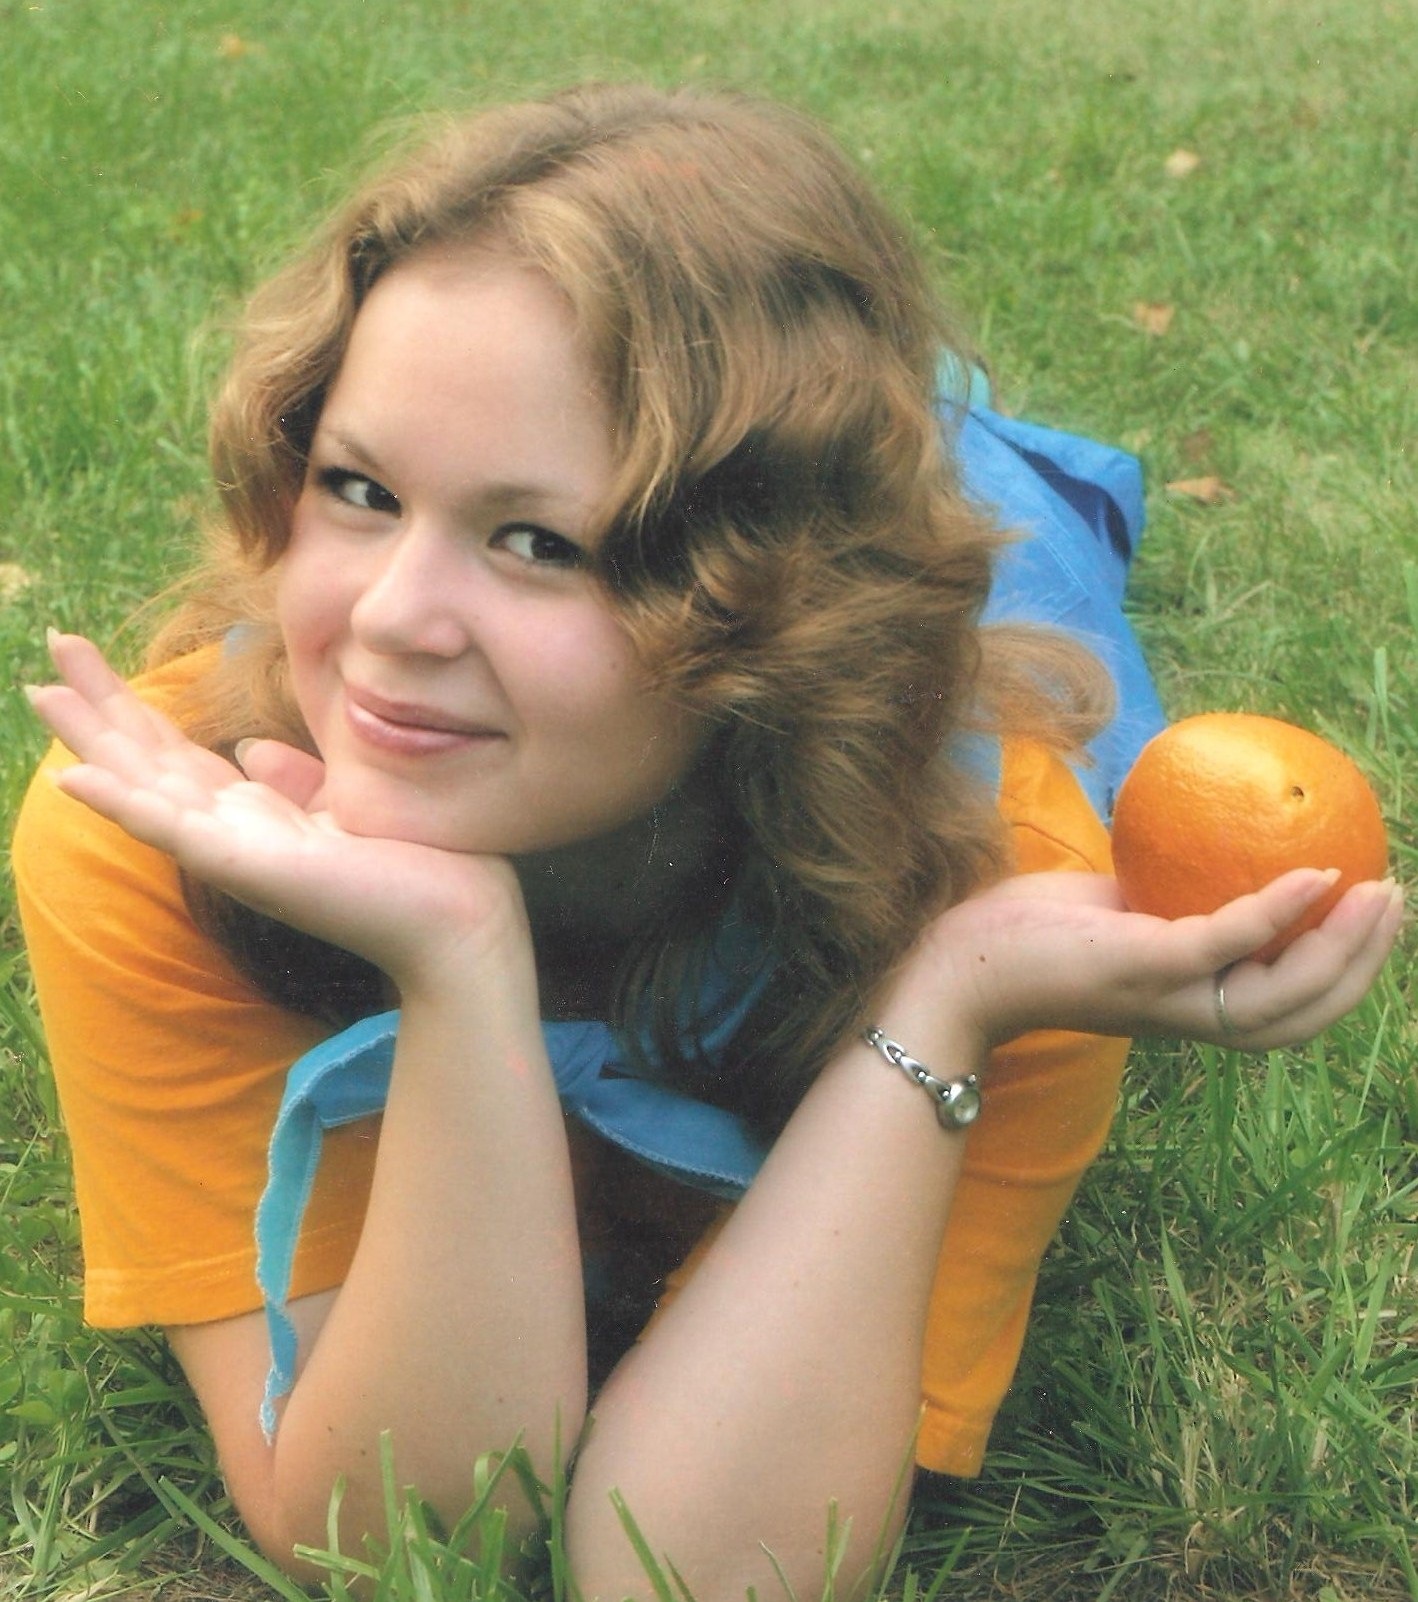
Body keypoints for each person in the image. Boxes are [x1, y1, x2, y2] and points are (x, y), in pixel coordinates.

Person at [13, 83, 1399, 1601]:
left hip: (898, 673)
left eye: (542, 543)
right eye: (360, 488)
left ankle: (989, 445)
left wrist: (951, 1002)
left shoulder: (993, 869)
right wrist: (460, 963)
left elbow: (701, 1570)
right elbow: (397, 1541)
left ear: (775, 612)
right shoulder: (155, 830)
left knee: (1019, 541)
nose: (392, 621)